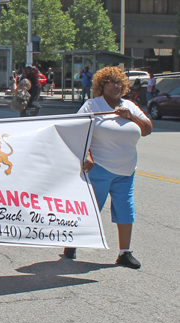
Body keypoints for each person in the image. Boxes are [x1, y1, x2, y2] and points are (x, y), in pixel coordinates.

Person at [63, 66, 153, 269]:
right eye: (111, 82)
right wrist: (87, 155)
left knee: (126, 211)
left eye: (119, 82)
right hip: (100, 169)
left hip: (127, 170)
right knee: (91, 210)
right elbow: (78, 131)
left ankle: (124, 253)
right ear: (101, 85)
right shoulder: (92, 105)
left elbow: (147, 130)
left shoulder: (129, 106)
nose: (116, 86)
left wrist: (131, 116)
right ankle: (73, 242)